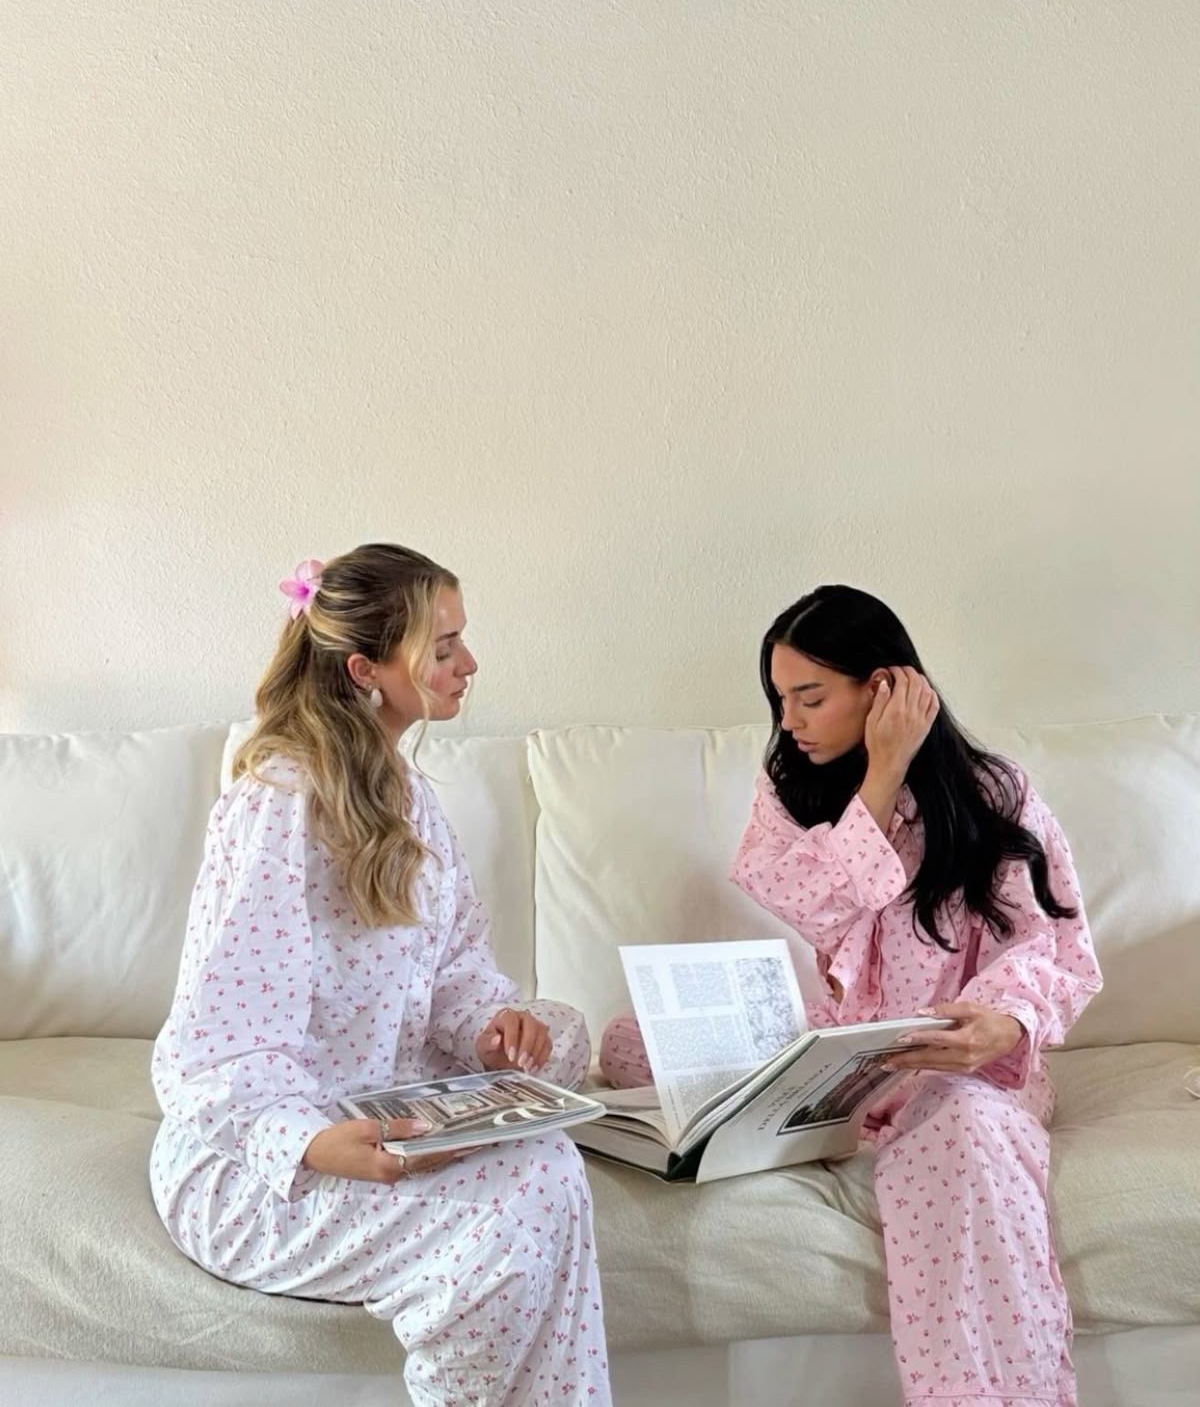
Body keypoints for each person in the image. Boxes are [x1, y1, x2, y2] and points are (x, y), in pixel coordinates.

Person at [599, 584, 1101, 1407]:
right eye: (779, 697)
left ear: (887, 688)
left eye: (810, 696)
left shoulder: (997, 793)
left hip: (954, 1065)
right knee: (632, 1041)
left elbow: (1056, 947)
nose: (789, 719)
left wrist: (1004, 1025)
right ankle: (816, 1117)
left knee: (970, 1128)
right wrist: (883, 772)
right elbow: (814, 902)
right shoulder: (790, 789)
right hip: (836, 1050)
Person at [151, 543, 611, 1406]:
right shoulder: (280, 801)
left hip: (376, 1116)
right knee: (507, 1226)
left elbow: (455, 970)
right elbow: (217, 1046)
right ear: (366, 670)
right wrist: (308, 1142)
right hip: (254, 1159)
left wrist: (489, 1024)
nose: (468, 664)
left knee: (549, 1165)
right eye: (442, 648)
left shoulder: (413, 797)